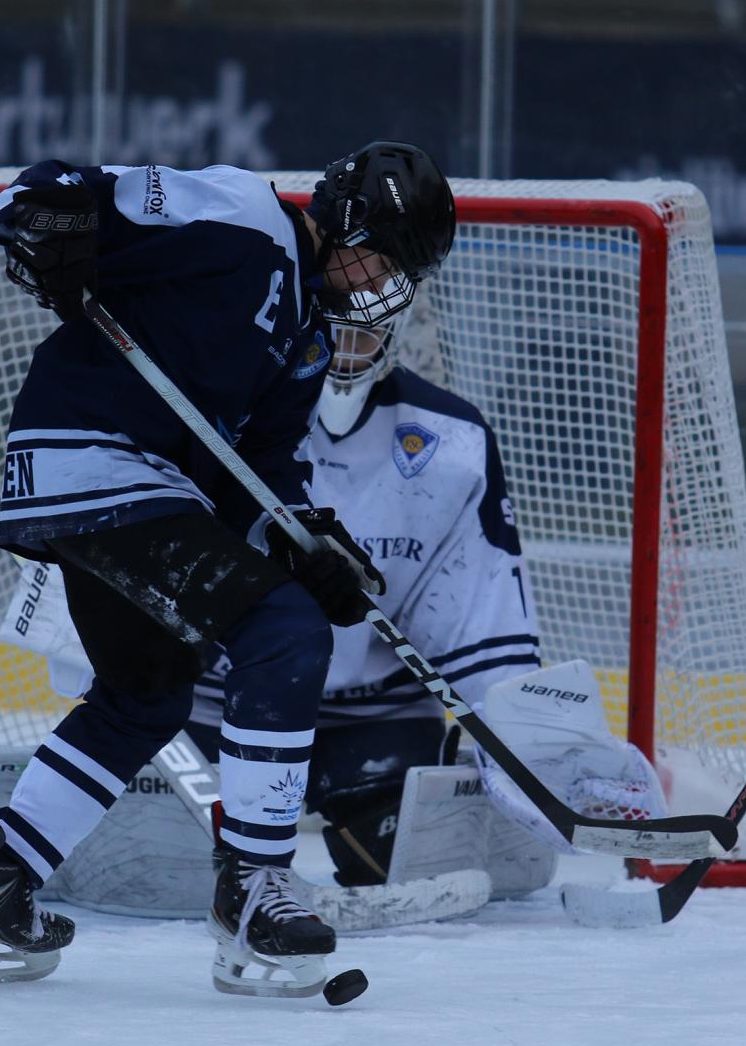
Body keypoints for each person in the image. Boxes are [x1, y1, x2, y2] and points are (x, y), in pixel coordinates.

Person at [0, 142, 456, 998]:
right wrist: (51, 228)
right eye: (382, 258)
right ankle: (253, 888)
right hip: (98, 460)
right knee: (283, 632)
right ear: (346, 222)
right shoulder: (243, 214)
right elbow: (55, 193)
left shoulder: (309, 340)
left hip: (137, 489)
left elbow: (256, 474)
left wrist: (304, 541)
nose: (381, 284)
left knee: (147, 697)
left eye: (399, 272)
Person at [184, 304, 543, 885]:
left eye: (363, 328)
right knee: (167, 874)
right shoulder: (206, 408)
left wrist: (533, 744)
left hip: (376, 712)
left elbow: (481, 616)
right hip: (218, 700)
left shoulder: (453, 439)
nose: (341, 346)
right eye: (328, 326)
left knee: (407, 867)